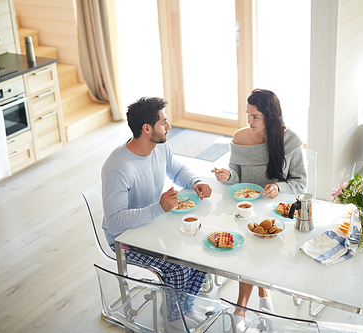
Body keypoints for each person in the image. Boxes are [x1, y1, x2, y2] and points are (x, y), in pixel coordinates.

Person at [101, 97, 212, 329]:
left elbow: (177, 169)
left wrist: (195, 181)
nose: (169, 126)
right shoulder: (118, 167)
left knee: (201, 256)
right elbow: (114, 222)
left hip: (153, 224)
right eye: (164, 122)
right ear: (147, 128)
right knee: (179, 268)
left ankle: (183, 309)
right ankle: (172, 319)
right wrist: (158, 208)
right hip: (124, 239)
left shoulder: (160, 147)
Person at [212, 88, 306, 326]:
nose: (249, 121)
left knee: (253, 251)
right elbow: (235, 175)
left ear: (270, 117)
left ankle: (241, 309)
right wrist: (227, 175)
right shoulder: (240, 137)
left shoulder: (290, 140)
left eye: (255, 117)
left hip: (275, 212)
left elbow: (301, 182)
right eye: (247, 115)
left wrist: (279, 188)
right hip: (245, 207)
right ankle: (263, 295)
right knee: (250, 247)